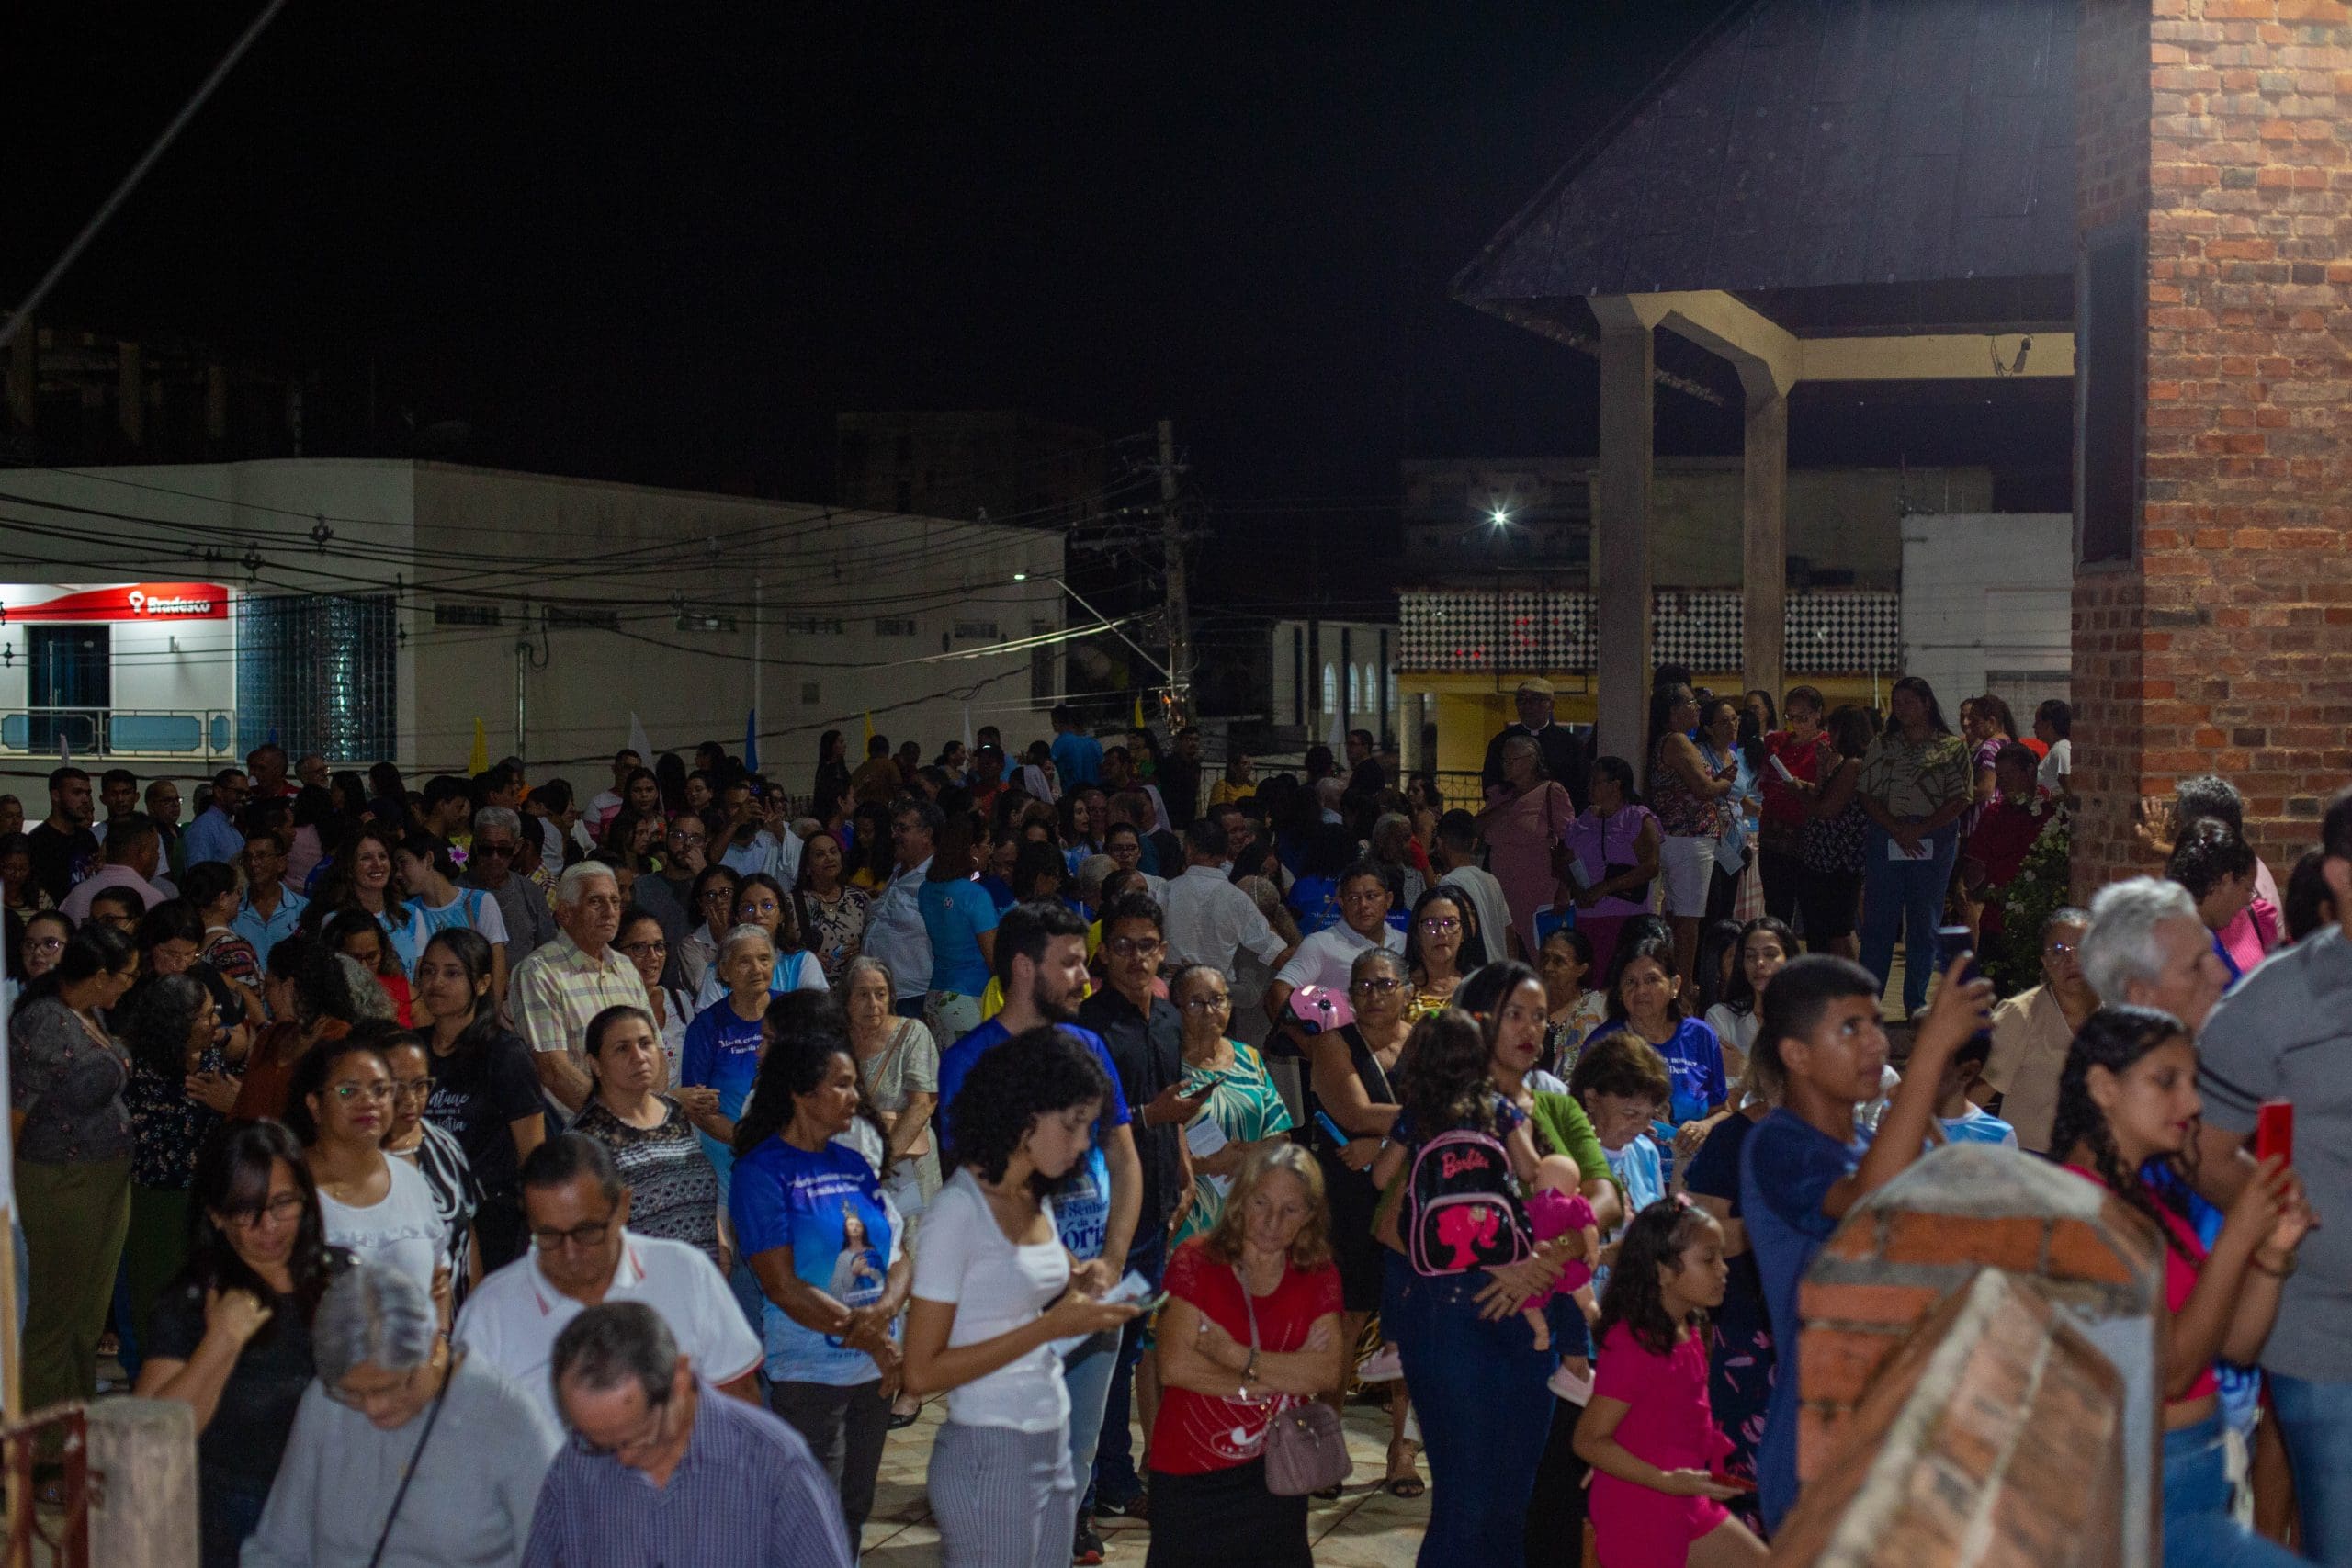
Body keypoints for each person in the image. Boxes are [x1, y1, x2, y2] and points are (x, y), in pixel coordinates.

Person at [1738, 950, 1990, 1531]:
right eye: (1851, 1028)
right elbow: (1867, 1203)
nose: (1876, 1043)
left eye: (1877, 1024)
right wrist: (1928, 1056)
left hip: (1900, 1433)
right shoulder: (1777, 1144)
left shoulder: (1882, 1146)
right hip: (1820, 1447)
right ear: (1797, 1055)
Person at [2053, 1006, 2312, 1568]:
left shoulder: (2145, 1201)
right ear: (2103, 1087)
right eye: (2166, 1081)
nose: (2192, 1104)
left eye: (2193, 1084)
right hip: (2148, 1490)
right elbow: (2172, 1371)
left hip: (2198, 1473)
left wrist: (2272, 1252)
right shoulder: (2076, 1210)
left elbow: (2236, 1345)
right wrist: (2238, 1236)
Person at [934, 900, 1145, 1562]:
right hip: (1012, 1296)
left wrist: (1111, 1258)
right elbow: (971, 1186)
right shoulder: (970, 1059)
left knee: (1072, 1457)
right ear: (1025, 967)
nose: (1086, 976)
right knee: (1002, 1454)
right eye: (1071, 962)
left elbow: (1123, 1156)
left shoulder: (1088, 1046)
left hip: (1086, 1280)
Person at [2187, 789, 2352, 1562]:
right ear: (2341, 875)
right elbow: (2206, 1151)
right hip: (2325, 1330)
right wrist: (2288, 1218)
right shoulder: (2271, 1005)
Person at [1370, 1010, 1589, 1563]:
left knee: (1498, 1506)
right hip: (1465, 1310)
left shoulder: (1420, 1115)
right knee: (1474, 1506)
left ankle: (1389, 1347)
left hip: (1506, 1305)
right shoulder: (1503, 1109)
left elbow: (1379, 1176)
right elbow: (1390, 1226)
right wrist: (1500, 1257)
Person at [729, 992, 911, 1551]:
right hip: (812, 1373)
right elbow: (782, 1286)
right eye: (842, 1085)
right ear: (802, 1093)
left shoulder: (853, 1163)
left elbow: (900, 1256)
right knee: (812, 1517)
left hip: (874, 1370)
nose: (856, 1096)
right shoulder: (761, 1172)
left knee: (853, 1510)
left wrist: (884, 1316)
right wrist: (874, 1338)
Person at [243, 1262, 558, 1568]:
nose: (373, 1408)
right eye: (354, 1393)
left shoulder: (512, 1422)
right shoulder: (325, 1403)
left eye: (388, 1388)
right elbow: (277, 1550)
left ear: (432, 1348)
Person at [136, 1122, 351, 1566]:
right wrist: (221, 1342)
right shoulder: (193, 1301)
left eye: (283, 1203)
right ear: (215, 1215)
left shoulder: (345, 1280)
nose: (268, 1225)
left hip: (336, 1511)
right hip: (230, 1520)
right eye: (245, 1210)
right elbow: (148, 1441)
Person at [457, 1133, 760, 1435]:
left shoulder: (685, 1272)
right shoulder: (491, 1309)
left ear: (623, 1206)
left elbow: (740, 1402)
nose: (570, 1253)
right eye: (549, 1236)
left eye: (587, 1231)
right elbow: (467, 1436)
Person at [524, 1300, 854, 1568]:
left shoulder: (774, 1464)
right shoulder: (575, 1463)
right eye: (600, 1443)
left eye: (638, 1437)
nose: (622, 1459)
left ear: (679, 1379)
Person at [1145, 1145, 1347, 1568]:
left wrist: (1233, 1355)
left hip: (1276, 1470)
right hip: (1189, 1475)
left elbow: (1326, 1373)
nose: (1273, 1222)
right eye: (1261, 1203)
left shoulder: (1317, 1272)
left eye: (1290, 1210)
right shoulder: (1195, 1260)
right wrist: (1278, 1376)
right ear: (1240, 1199)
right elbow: (1175, 1367)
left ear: (1310, 1215)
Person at [1073, 893, 1202, 1531]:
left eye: (1146, 945)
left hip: (1157, 1206)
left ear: (1162, 951)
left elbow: (1169, 1103)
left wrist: (1183, 1162)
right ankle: (1092, 1487)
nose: (1134, 957)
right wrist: (1155, 1116)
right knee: (1097, 1351)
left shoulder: (1170, 1018)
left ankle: (1115, 1480)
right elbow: (1085, 1125)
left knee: (1129, 1350)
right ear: (1103, 954)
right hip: (1105, 1213)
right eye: (1121, 945)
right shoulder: (1088, 1024)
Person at [1573, 1200, 1765, 1566]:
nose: (1724, 1269)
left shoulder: (1690, 1327)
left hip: (1686, 1499)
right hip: (1643, 1511)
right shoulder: (1633, 1344)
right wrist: (1663, 1479)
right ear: (1662, 1271)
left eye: (1721, 1257)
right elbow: (1588, 1439)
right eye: (1709, 1259)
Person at [13, 921, 141, 1422]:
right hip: (62, 1182)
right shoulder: (44, 1020)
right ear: (102, 976)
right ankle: (44, 1440)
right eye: (127, 976)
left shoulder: (90, 1012)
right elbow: (16, 1111)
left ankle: (76, 1427)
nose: (131, 985)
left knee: (88, 1318)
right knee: (55, 1315)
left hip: (106, 1180)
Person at [1303, 946, 1418, 1483]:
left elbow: (1449, 1107)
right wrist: (1420, 1119)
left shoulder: (1423, 1042)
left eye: (1385, 984)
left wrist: (1385, 1143)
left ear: (1407, 991)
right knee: (1344, 1319)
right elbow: (1353, 1111)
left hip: (1409, 1192)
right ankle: (1326, 1449)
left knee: (1408, 1325)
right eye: (1363, 986)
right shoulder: (1334, 1042)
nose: (1374, 995)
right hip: (1348, 1195)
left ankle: (1402, 1451)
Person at [286, 1031, 450, 1308]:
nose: (369, 1102)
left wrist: (440, 1332)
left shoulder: (409, 1179)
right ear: (315, 1105)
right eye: (348, 1091)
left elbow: (439, 1279)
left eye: (380, 1090)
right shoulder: (289, 1183)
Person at [121, 973, 232, 1364]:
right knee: (154, 1302)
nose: (216, 1022)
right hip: (155, 1203)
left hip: (207, 1200)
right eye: (206, 1015)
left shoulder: (212, 1062)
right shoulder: (138, 1072)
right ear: (178, 1024)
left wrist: (231, 1104)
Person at [1856, 677, 1973, 1015]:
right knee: (1879, 921)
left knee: (1925, 921)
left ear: (1926, 703)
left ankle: (1916, 1002)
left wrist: (1922, 828)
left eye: (1909, 701)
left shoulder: (1951, 747)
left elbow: (1961, 797)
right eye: (1897, 703)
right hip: (1887, 834)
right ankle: (1869, 1002)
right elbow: (1866, 793)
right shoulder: (1883, 745)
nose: (1902, 709)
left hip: (1935, 837)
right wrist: (1897, 828)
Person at [574, 1005, 725, 1264]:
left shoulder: (675, 1113)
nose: (639, 1056)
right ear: (595, 1064)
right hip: (640, 1279)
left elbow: (699, 1193)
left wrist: (720, 1243)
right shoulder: (586, 1139)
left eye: (646, 1043)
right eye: (622, 1049)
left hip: (701, 1270)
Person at [513, 863, 650, 1118]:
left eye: (615, 901)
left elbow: (655, 1053)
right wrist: (619, 1119)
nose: (609, 911)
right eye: (596, 901)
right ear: (565, 913)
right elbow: (553, 1070)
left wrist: (646, 1115)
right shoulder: (539, 972)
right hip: (577, 1130)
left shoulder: (626, 968)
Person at [1168, 964, 1293, 1243]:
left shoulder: (1249, 1057)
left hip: (1250, 1214)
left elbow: (1281, 1136)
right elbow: (1149, 1154)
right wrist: (1210, 1164)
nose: (1209, 1011)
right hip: (1189, 1218)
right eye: (1196, 1003)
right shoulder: (1164, 1065)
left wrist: (1248, 1156)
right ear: (1175, 1010)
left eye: (1217, 1000)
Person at [1972, 906, 2098, 1155]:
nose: (2071, 960)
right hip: (2031, 1160)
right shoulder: (2020, 1015)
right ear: (2045, 962)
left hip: (2099, 1162)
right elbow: (1977, 1094)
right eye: (2058, 951)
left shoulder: (2119, 1013)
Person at [1585, 931, 1729, 1145]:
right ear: (1620, 991)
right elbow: (1579, 1114)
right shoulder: (1604, 1043)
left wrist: (1705, 1127)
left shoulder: (1700, 1036)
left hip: (1691, 1162)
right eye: (1630, 981)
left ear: (1674, 986)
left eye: (1651, 980)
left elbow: (1723, 1111)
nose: (1641, 990)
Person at [1645, 683, 1735, 987]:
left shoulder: (1669, 741)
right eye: (1692, 703)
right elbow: (1703, 789)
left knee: (1677, 917)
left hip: (1679, 839)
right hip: (1688, 840)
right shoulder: (1677, 740)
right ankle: (1682, 989)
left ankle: (1674, 982)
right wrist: (1724, 785)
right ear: (1674, 710)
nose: (1697, 708)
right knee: (1688, 921)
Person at [843, 955, 940, 1210]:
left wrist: (883, 1163)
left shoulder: (913, 1034)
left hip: (907, 1160)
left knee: (911, 1232)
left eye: (881, 994)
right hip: (857, 1161)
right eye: (863, 995)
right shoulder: (838, 1041)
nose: (873, 1004)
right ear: (847, 1000)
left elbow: (922, 1105)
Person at [1476, 733, 1579, 966]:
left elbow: (1570, 842)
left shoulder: (1551, 792)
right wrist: (1509, 804)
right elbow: (1475, 828)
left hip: (1539, 892)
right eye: (1504, 760)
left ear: (1531, 760)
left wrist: (1564, 888)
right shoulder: (1501, 796)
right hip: (1503, 893)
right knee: (1506, 960)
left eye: (1512, 760)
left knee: (1543, 958)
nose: (1506, 765)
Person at [1560, 754, 1663, 984]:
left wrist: (1605, 888)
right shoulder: (1586, 819)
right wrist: (1573, 889)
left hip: (1627, 916)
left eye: (1596, 782)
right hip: (1588, 915)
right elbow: (1565, 860)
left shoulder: (1636, 817)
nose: (1589, 786)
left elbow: (1650, 866)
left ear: (1615, 785)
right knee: (1592, 981)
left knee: (1624, 980)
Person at [1262, 859, 1402, 1025]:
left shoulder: (1404, 942)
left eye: (1371, 896)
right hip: (1343, 1037)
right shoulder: (1321, 944)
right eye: (1353, 898)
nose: (1363, 905)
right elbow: (1277, 993)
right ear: (1341, 903)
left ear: (1388, 900)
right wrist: (1308, 1039)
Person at [1162, 816, 1295, 980]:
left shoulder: (1165, 891)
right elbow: (1279, 956)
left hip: (1171, 987)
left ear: (1188, 849)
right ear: (1225, 854)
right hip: (1214, 990)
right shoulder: (1237, 899)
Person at [1798, 705, 1878, 962]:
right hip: (1830, 858)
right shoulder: (1845, 763)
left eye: (1832, 730)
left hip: (1837, 859)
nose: (1829, 736)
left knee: (1838, 929)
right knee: (1834, 927)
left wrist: (1799, 795)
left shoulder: (1853, 765)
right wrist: (1822, 768)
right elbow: (1824, 795)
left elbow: (1827, 809)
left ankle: (1852, 980)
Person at [1962, 742, 2054, 953]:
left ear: (2030, 771)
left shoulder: (2052, 811)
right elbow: (1974, 872)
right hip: (1997, 919)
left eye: (2009, 775)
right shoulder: (1994, 814)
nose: (2003, 783)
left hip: (2038, 919)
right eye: (2000, 776)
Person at [919, 809, 1000, 1043]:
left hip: (935, 996)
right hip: (968, 999)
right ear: (972, 850)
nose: (990, 851)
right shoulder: (975, 894)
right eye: (987, 844)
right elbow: (993, 958)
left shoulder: (926, 889)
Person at [1753, 686, 1831, 924]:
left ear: (1818, 714)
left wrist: (1801, 785)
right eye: (1791, 717)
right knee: (1777, 908)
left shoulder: (1826, 746)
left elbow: (1829, 790)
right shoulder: (1779, 743)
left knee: (1813, 908)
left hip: (1807, 835)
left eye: (1803, 717)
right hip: (1774, 834)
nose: (1796, 724)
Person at [2169, 818, 2276, 983]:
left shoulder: (2198, 933)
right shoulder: (2186, 949)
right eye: (2247, 889)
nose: (2248, 901)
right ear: (2225, 882)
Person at [308, 823, 421, 975]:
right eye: (366, 858)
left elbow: (419, 976)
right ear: (350, 869)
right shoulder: (334, 920)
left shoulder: (411, 914)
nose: (377, 864)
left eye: (382, 856)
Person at [864, 798, 939, 1021]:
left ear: (926, 834)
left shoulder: (936, 879)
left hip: (914, 995)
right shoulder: (898, 871)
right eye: (894, 828)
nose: (894, 835)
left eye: (903, 829)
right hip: (883, 992)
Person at [1701, 917, 1794, 1085]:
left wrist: (1744, 1067)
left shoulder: (1809, 1020)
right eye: (1750, 956)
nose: (1759, 963)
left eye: (1770, 955)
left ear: (1789, 959)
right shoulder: (1721, 1017)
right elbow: (1723, 1092)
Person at [465, 807, 559, 968]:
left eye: (503, 849)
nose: (495, 857)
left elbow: (549, 952)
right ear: (475, 846)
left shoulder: (531, 892)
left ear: (517, 847)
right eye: (486, 849)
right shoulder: (457, 891)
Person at [1482, 676, 1590, 811]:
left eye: (1537, 700)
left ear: (1551, 705)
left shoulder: (1570, 744)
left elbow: (1581, 787)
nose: (1529, 706)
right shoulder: (1501, 742)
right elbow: (1490, 784)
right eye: (1522, 700)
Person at [1428, 809, 1516, 963]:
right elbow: (1509, 935)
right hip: (1499, 970)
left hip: (1475, 972)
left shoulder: (1449, 883)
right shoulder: (1491, 881)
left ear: (1440, 843)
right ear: (1474, 843)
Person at [58, 810, 172, 924]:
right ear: (144, 852)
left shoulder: (77, 896)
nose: (157, 856)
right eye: (155, 849)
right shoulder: (154, 901)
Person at [797, 829, 872, 984]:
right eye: (820, 854)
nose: (829, 858)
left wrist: (862, 948)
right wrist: (803, 958)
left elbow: (876, 942)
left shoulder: (860, 899)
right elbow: (779, 948)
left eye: (833, 852)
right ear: (807, 864)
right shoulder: (791, 902)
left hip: (854, 987)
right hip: (810, 988)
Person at [1537, 926, 1608, 1079]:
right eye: (1544, 958)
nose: (1548, 967)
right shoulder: (1529, 1006)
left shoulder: (1595, 1009)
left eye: (1559, 961)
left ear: (1581, 970)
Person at [232, 829, 309, 964]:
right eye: (248, 857)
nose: (253, 863)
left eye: (261, 856)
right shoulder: (233, 912)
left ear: (281, 863)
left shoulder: (303, 910)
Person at [327, 907, 413, 1024]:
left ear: (383, 951)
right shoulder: (325, 996)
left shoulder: (400, 987)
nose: (364, 967)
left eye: (371, 956)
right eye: (354, 958)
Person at [1401, 885, 1475, 1019]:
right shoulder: (1399, 989)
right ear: (1416, 933)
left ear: (1464, 933)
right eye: (1430, 924)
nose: (1441, 932)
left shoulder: (1478, 985)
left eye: (1451, 923)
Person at [678, 863, 744, 998]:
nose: (718, 901)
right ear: (701, 906)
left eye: (725, 892)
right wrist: (724, 941)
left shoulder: (751, 934)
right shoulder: (690, 946)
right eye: (710, 895)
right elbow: (706, 992)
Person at [181, 767, 247, 870]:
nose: (244, 798)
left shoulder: (229, 826)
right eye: (238, 792)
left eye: (246, 794)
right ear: (218, 792)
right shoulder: (203, 827)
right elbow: (198, 874)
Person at [1051, 705, 1105, 791]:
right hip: (1095, 791)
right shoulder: (1094, 743)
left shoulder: (1062, 741)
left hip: (1072, 792)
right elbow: (1102, 768)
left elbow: (1048, 765)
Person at [2034, 698, 2074, 796]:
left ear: (2048, 724)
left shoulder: (2060, 750)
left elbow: (2069, 787)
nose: (2034, 726)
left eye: (2038, 721)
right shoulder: (2057, 749)